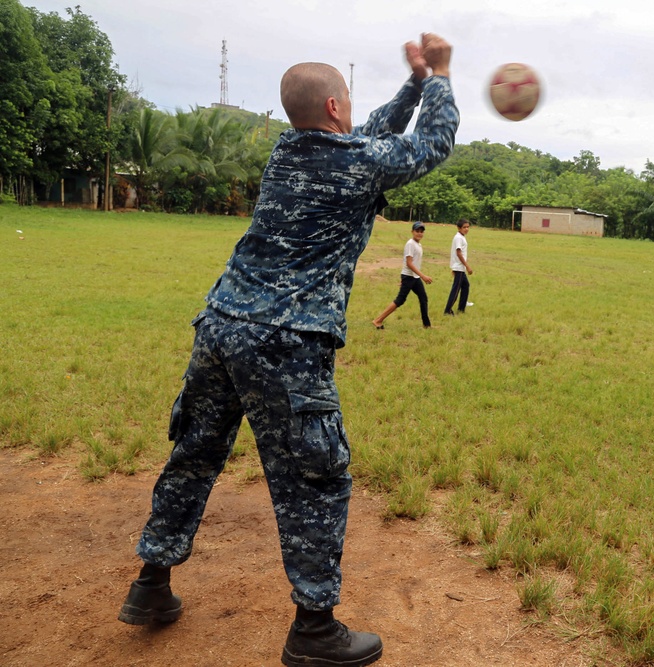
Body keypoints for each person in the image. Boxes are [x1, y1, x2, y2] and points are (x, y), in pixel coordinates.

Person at [117, 33, 458, 667]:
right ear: (334, 110)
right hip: (284, 340)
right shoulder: (352, 161)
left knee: (194, 455)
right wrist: (438, 76)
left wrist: (409, 86)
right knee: (313, 477)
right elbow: (429, 145)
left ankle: (151, 585)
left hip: (220, 324)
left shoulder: (290, 151)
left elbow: (374, 131)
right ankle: (314, 630)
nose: (354, 111)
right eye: (347, 101)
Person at [372, 222, 433, 329]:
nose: (419, 233)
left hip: (414, 277)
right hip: (409, 277)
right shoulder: (410, 244)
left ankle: (427, 325)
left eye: (421, 231)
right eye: (417, 231)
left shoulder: (418, 245)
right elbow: (409, 263)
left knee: (423, 298)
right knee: (400, 300)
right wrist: (423, 276)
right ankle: (378, 320)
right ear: (412, 232)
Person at [443, 218, 472, 315]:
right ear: (459, 228)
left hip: (459, 267)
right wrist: (467, 266)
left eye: (468, 227)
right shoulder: (459, 238)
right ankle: (447, 310)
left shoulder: (461, 237)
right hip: (459, 267)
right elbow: (458, 253)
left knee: (466, 286)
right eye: (464, 227)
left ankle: (461, 309)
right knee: (455, 290)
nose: (466, 229)